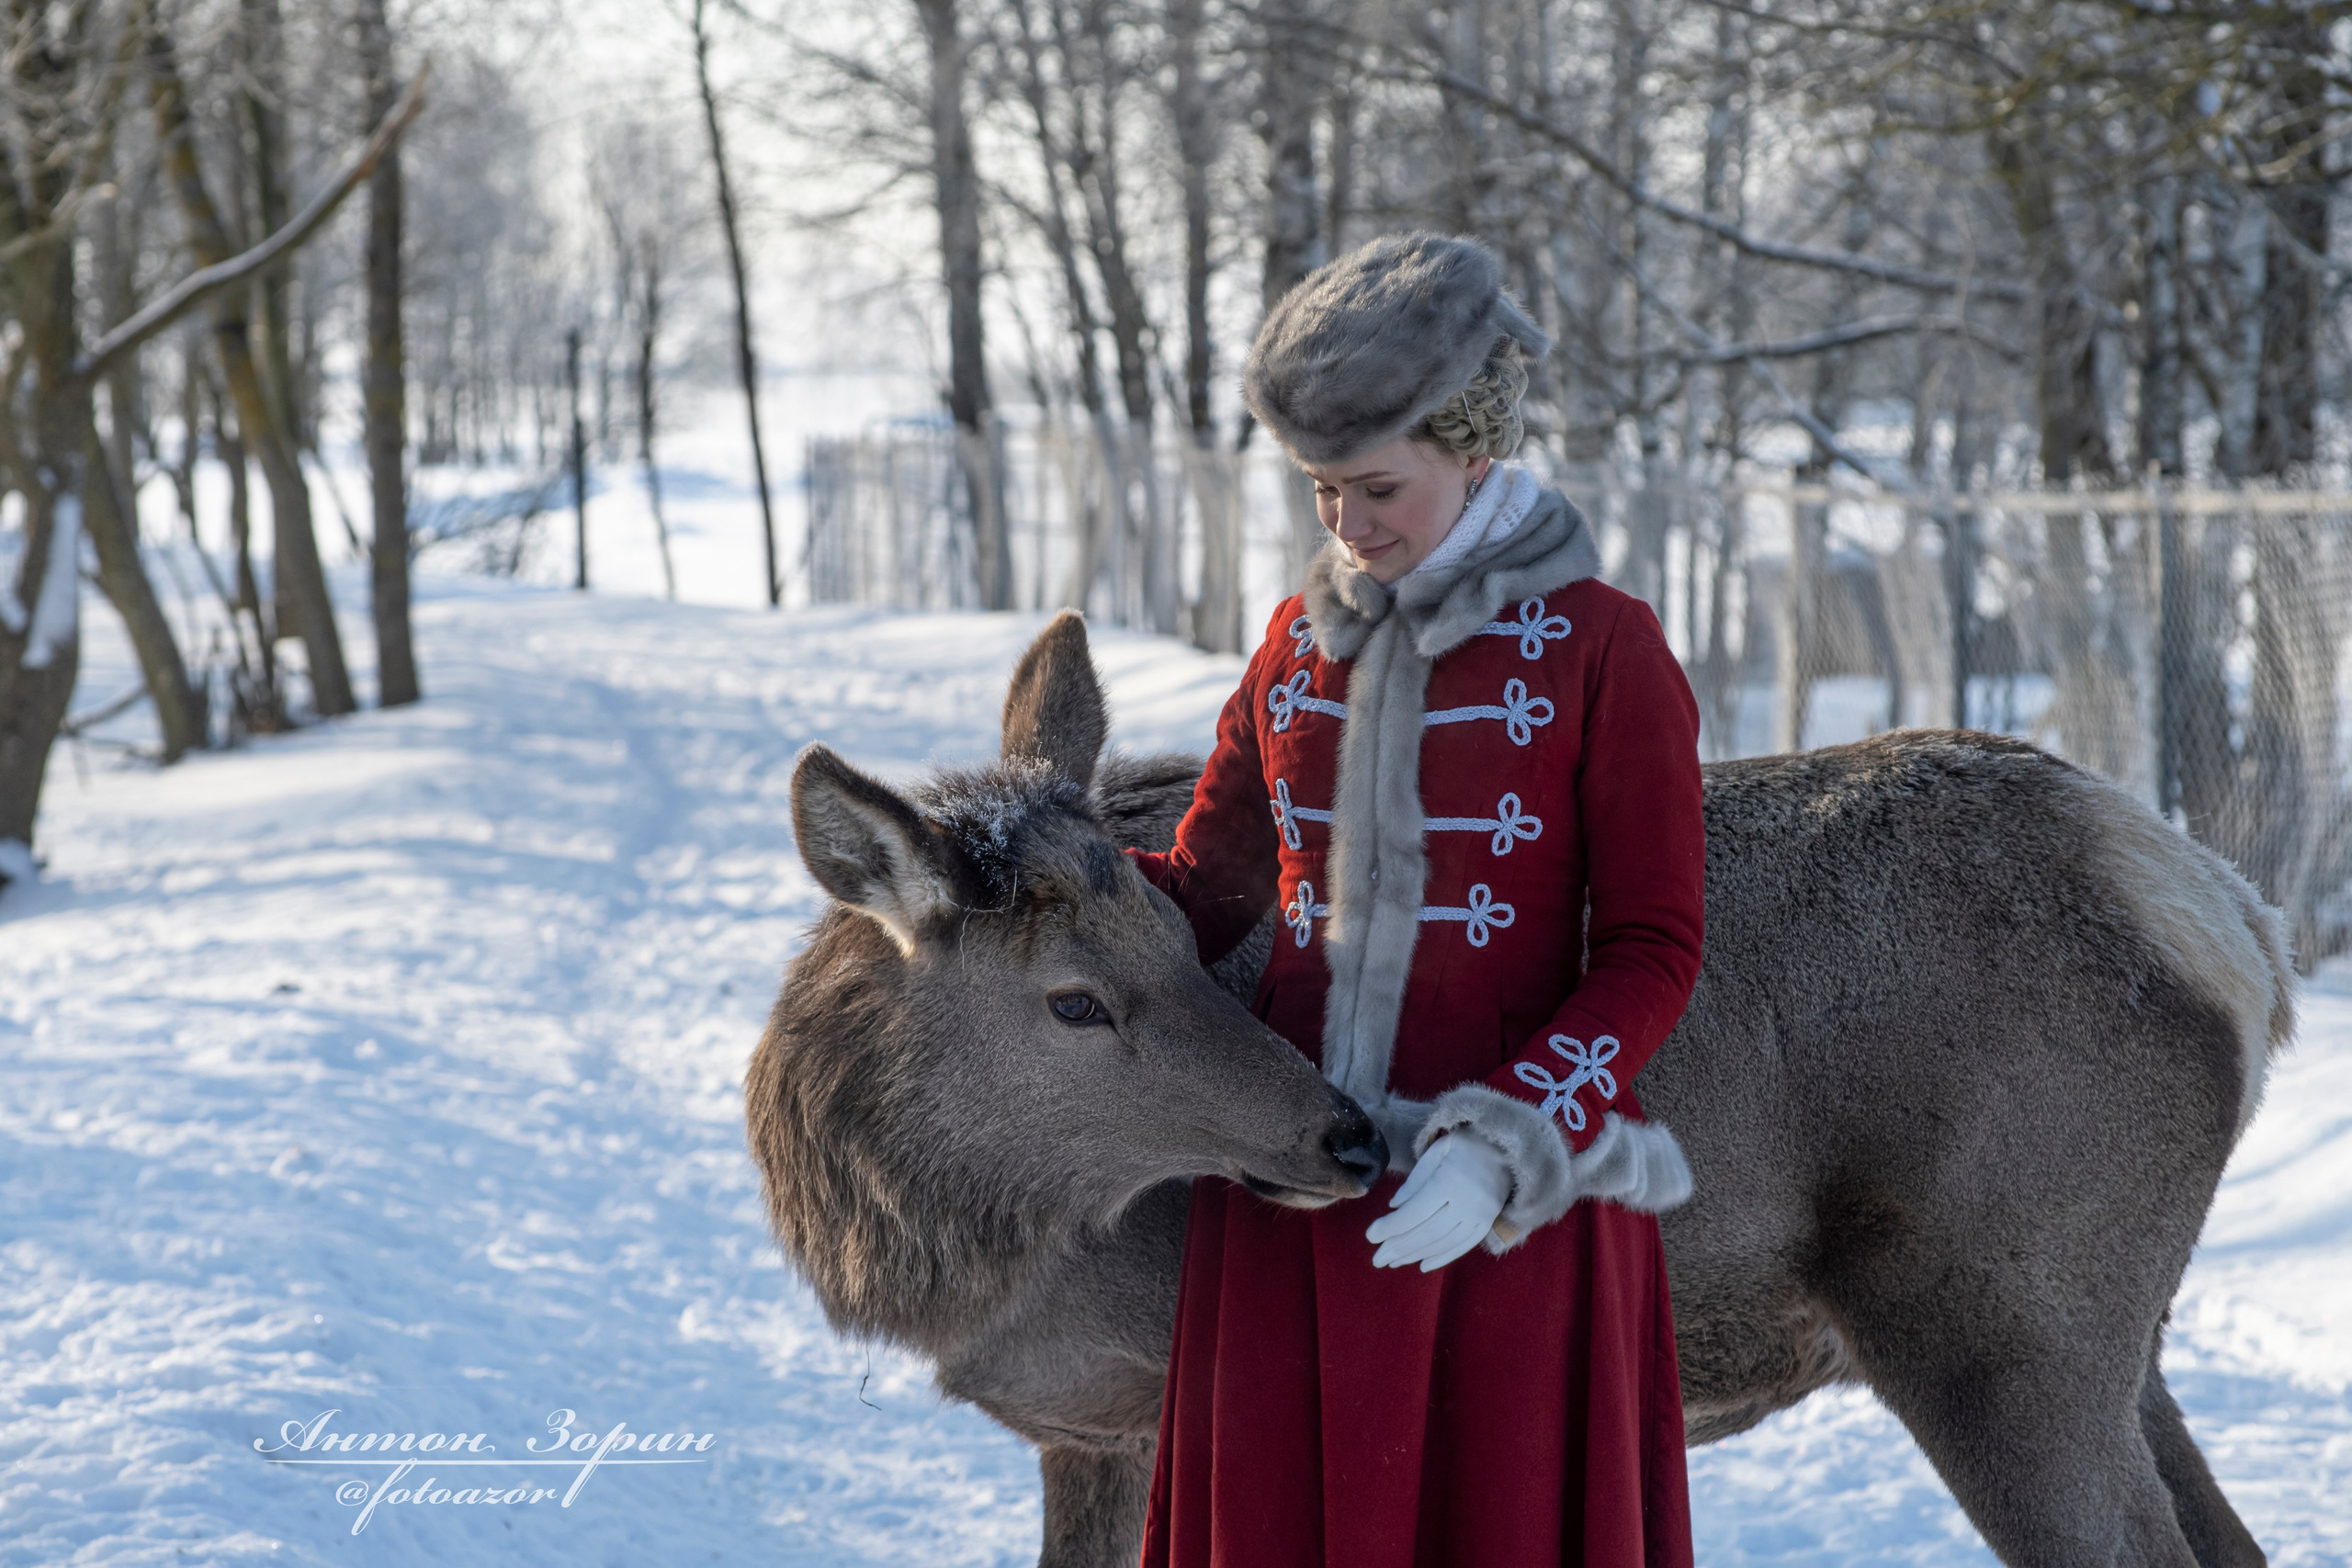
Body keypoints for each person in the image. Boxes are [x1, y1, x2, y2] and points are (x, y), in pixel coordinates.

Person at [1127, 231, 1705, 1566]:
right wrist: (1034, 901)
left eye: (1378, 486)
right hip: (1290, 1181)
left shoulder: (1606, 645)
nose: (1347, 524)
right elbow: (1204, 892)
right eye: (1322, 489)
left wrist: (1505, 1138)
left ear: (1473, 448)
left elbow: (1653, 949)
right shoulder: (1293, 640)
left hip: (1507, 1204)